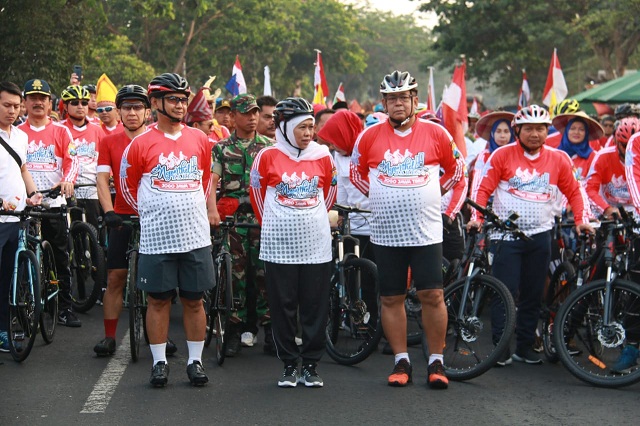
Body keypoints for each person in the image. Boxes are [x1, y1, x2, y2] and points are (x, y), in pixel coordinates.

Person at [351, 70, 466, 389]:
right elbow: (358, 174)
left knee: (432, 294)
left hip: (425, 231)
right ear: (384, 103)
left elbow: (457, 171)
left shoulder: (436, 132)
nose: (397, 103)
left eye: (403, 97)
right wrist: (385, 197)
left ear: (415, 100)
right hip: (387, 232)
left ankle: (436, 361)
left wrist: (431, 195)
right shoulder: (369, 136)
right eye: (391, 98)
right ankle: (401, 360)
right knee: (391, 298)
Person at [467, 105, 594, 365]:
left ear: (547, 131)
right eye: (529, 129)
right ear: (518, 131)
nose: (535, 133)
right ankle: (500, 347)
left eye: (540, 129)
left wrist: (582, 220)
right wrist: (476, 219)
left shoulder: (559, 158)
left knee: (533, 294)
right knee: (505, 292)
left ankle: (524, 346)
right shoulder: (501, 155)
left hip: (541, 235)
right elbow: (482, 191)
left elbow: (576, 192)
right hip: (507, 236)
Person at [121, 73, 214, 387]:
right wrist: (153, 212)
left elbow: (204, 183)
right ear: (156, 103)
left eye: (183, 99)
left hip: (196, 237)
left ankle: (195, 361)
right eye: (173, 99)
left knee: (194, 301)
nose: (180, 105)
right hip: (156, 239)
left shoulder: (200, 140)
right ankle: (159, 363)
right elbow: (128, 187)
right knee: (158, 302)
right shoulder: (140, 143)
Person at [249, 97, 337, 387]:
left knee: (314, 306)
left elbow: (329, 194)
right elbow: (257, 195)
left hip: (316, 246)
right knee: (282, 306)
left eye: (311, 127)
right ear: (285, 128)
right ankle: (289, 364)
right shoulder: (267, 156)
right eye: (302, 127)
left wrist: (312, 221)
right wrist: (276, 225)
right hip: (278, 247)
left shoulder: (323, 155)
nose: (308, 133)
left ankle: (311, 365)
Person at [93, 84, 177, 357]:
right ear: (118, 112)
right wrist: (108, 212)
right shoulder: (109, 142)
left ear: (148, 111)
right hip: (122, 215)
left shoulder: (158, 138)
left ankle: (161, 336)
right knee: (116, 276)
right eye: (126, 107)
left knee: (163, 281)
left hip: (157, 217)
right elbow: (103, 179)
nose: (131, 112)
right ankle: (109, 336)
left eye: (137, 107)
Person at [209, 94, 273, 355]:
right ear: (233, 116)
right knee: (234, 276)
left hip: (262, 220)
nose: (253, 117)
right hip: (233, 222)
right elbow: (212, 183)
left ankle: (270, 331)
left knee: (264, 276)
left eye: (256, 112)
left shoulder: (269, 147)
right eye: (246, 113)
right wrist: (212, 211)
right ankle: (233, 329)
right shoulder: (221, 148)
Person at [18, 79, 81, 327]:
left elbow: (72, 159)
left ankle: (64, 308)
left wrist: (67, 181)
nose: (37, 102)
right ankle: (23, 307)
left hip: (54, 204)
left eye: (42, 98)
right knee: (21, 258)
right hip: (25, 206)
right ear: (25, 102)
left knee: (60, 258)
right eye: (32, 97)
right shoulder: (17, 132)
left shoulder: (61, 131)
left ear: (50, 102)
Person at [0, 81, 43, 352]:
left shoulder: (20, 136)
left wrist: (34, 193)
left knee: (8, 277)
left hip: (15, 217)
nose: (12, 111)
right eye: (6, 105)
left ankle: (5, 330)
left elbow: (23, 168)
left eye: (16, 106)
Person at [60, 85, 104, 230]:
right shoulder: (60, 129)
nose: (80, 107)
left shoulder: (98, 130)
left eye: (84, 103)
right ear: (66, 106)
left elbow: (105, 160)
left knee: (94, 234)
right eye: (75, 103)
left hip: (91, 190)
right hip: (67, 191)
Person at [552, 111, 603, 182]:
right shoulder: (555, 155)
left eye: (581, 129)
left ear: (586, 133)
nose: (576, 132)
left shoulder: (593, 157)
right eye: (572, 128)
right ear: (567, 131)